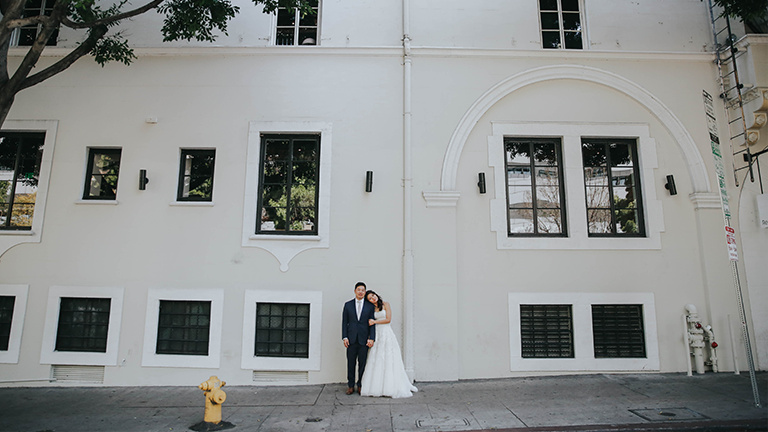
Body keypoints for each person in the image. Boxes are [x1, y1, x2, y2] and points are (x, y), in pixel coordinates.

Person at [360, 290, 418, 398]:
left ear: (376, 294)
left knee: (390, 357)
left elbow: (388, 319)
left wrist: (375, 322)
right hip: (377, 333)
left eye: (373, 295)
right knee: (377, 358)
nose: (373, 298)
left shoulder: (386, 304)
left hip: (386, 332)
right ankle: (377, 387)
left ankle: (391, 386)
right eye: (370, 298)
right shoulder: (371, 309)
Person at [342, 281, 376, 395]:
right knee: (350, 363)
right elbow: (344, 322)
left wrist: (372, 338)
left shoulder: (370, 306)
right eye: (359, 290)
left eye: (363, 290)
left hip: (364, 339)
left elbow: (372, 323)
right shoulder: (348, 305)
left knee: (363, 363)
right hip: (351, 339)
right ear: (355, 291)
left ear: (365, 292)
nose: (361, 292)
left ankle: (361, 385)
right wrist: (344, 337)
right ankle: (350, 385)